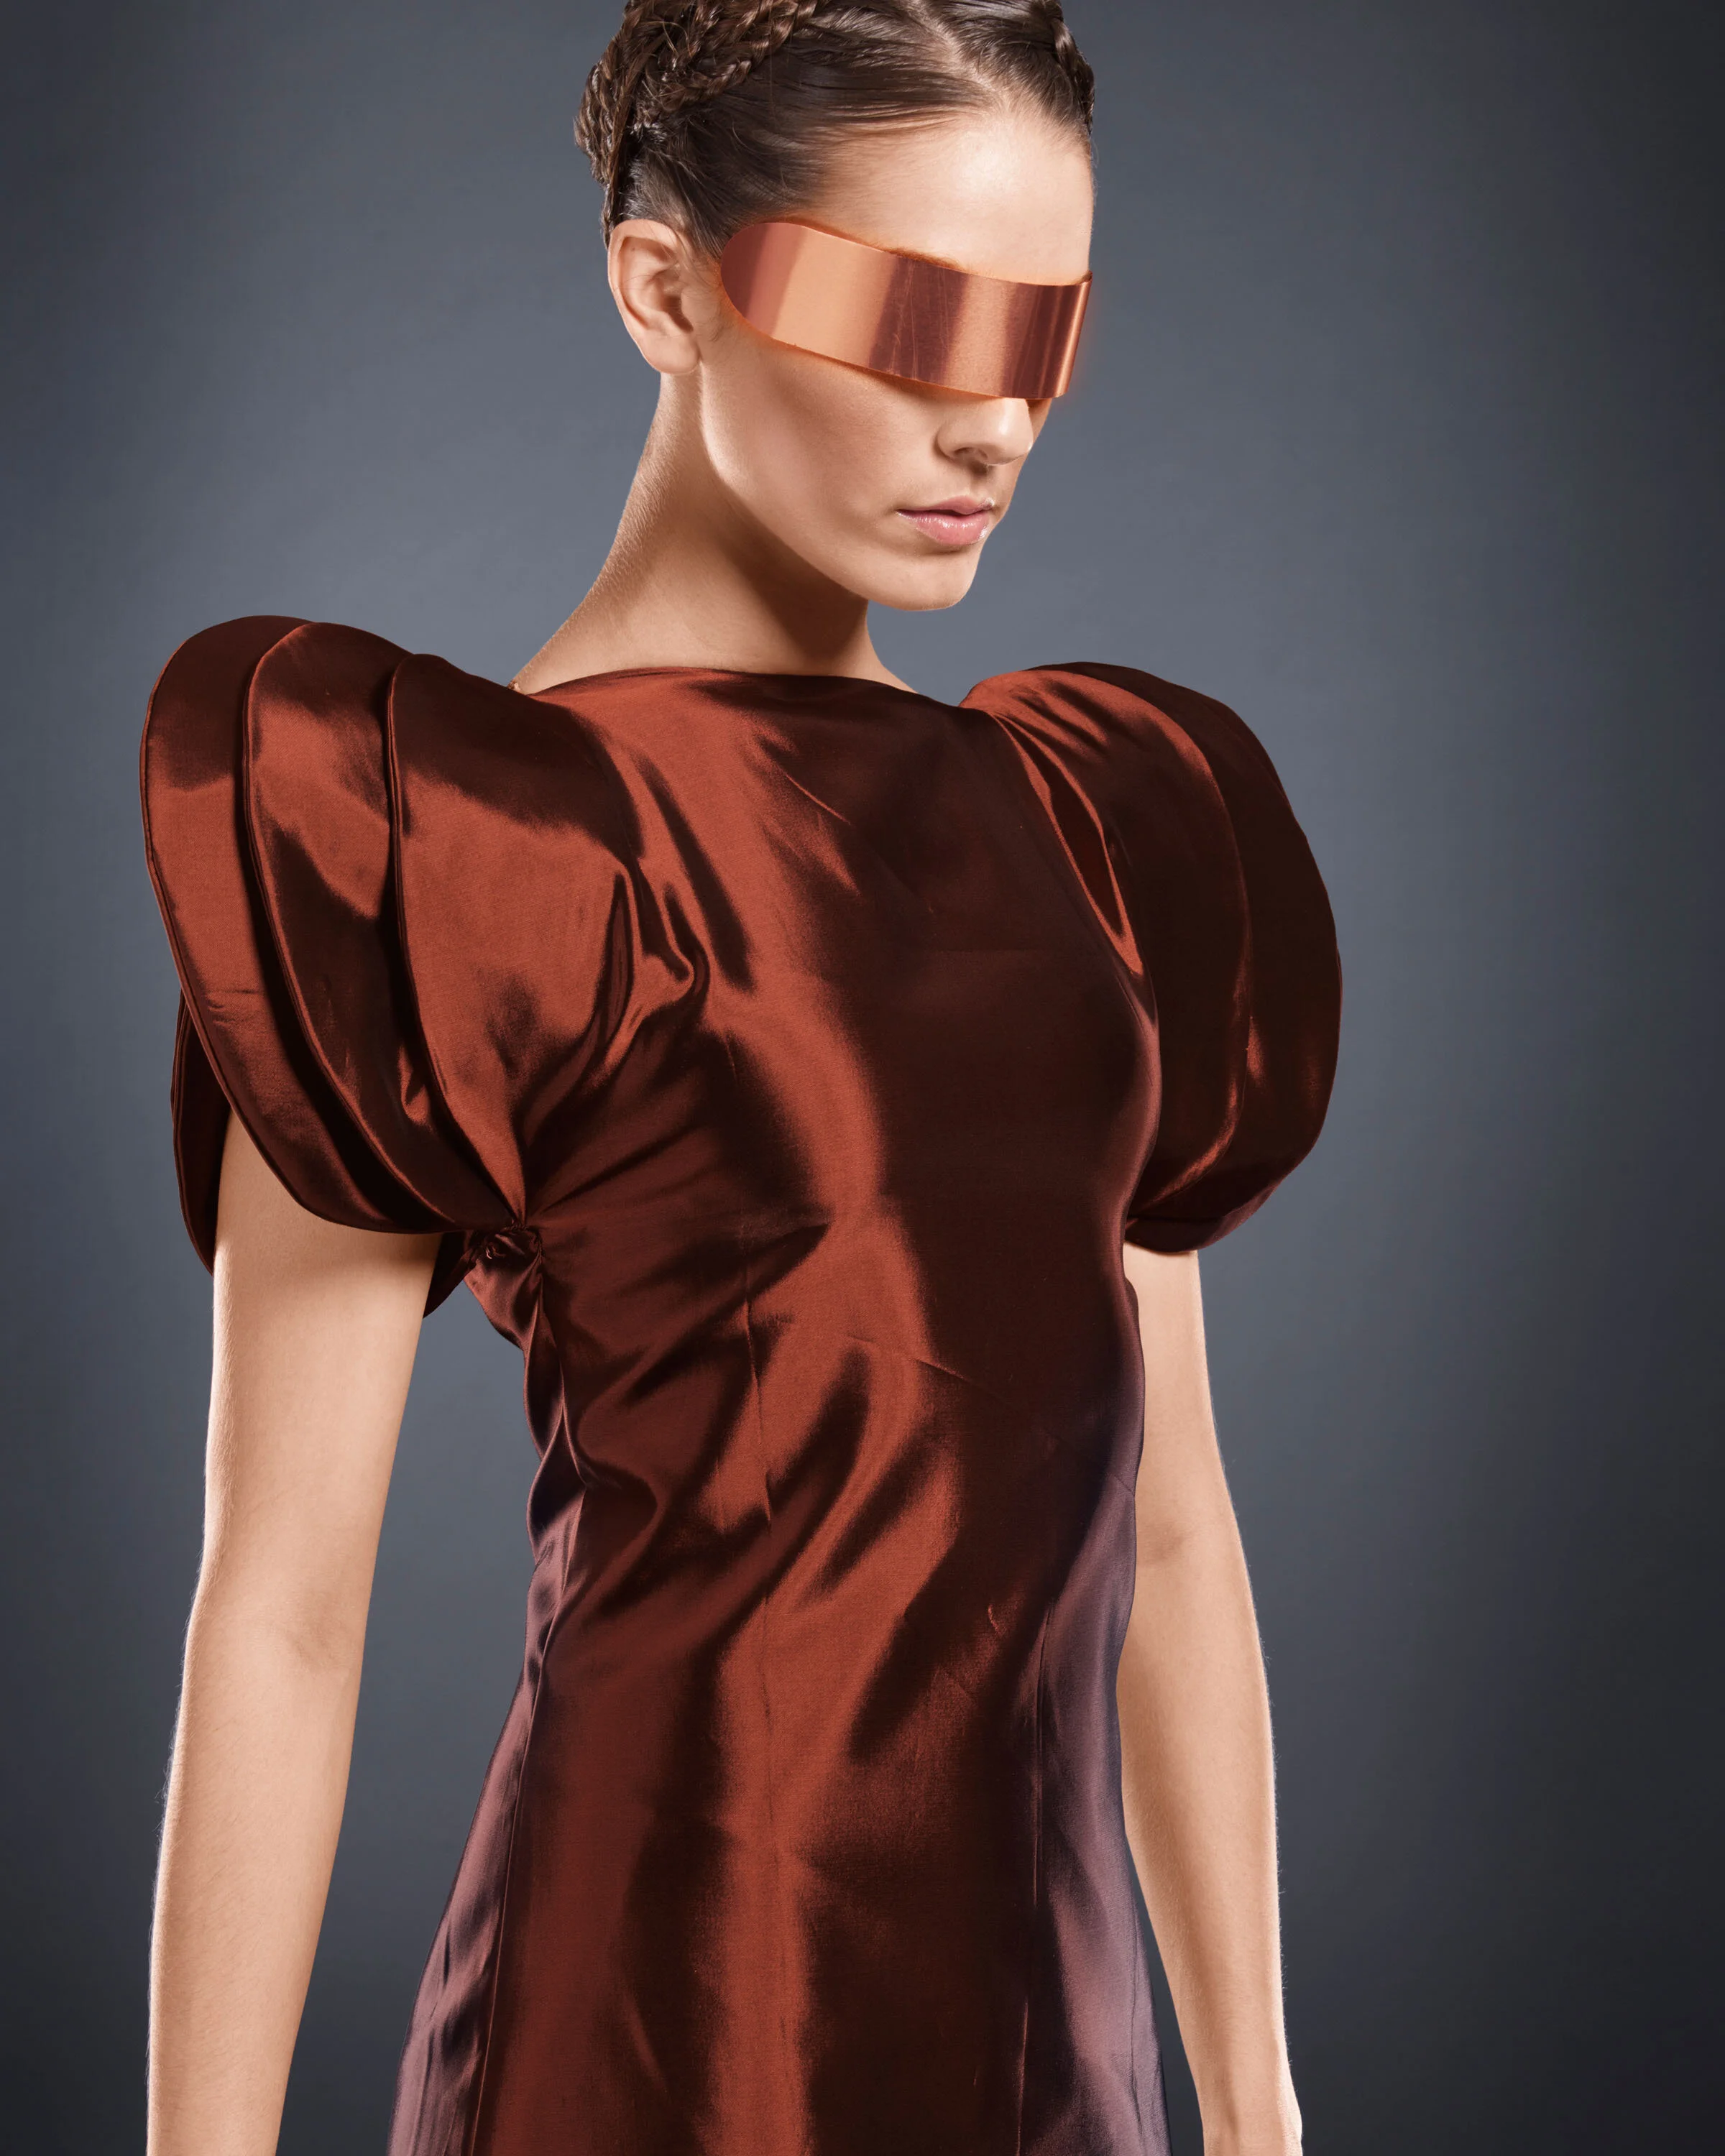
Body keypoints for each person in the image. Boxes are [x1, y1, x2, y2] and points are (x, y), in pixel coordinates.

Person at [140, 4, 1341, 2153]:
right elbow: (283, 1618)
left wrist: (1255, 2108)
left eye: (1046, 336)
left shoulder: (1089, 834)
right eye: (913, 318)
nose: (993, 419)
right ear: (665, 287)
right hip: (660, 2035)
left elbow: (1167, 1525)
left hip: (1048, 2056)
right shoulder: (438, 845)